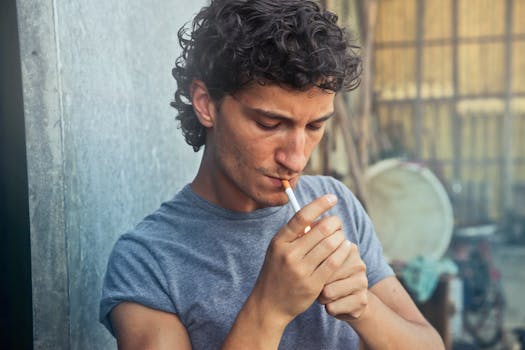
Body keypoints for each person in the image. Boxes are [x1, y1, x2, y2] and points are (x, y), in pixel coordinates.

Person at [99, 0, 445, 349]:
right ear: (205, 103)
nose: (295, 158)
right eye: (270, 123)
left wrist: (363, 308)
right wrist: (269, 308)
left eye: (314, 126)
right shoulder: (147, 260)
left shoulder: (335, 207)